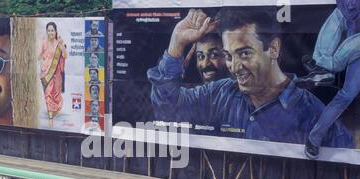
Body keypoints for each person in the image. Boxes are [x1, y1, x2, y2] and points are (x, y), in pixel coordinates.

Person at [147, 8, 354, 149]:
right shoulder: (219, 93)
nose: (235, 67)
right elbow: (167, 109)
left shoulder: (315, 116)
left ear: (273, 49)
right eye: (228, 56)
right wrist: (176, 45)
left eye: (245, 53)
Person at [296, 0, 360, 159]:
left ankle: (324, 70)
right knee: (338, 15)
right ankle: (322, 68)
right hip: (348, 15)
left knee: (347, 94)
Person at [38, 22, 68, 128]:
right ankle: (50, 116)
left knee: (56, 94)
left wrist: (61, 45)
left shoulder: (58, 43)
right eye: (49, 30)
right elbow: (38, 56)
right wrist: (42, 62)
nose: (50, 32)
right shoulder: (44, 42)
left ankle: (55, 110)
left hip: (57, 73)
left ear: (55, 31)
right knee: (48, 93)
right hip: (46, 72)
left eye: (52, 30)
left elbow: (65, 55)